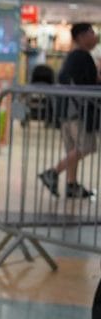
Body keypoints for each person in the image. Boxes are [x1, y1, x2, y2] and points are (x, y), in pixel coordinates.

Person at [39, 22, 101, 199]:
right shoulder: (82, 56)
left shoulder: (72, 57)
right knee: (86, 146)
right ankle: (53, 172)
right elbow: (88, 85)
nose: (94, 36)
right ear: (81, 36)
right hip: (78, 112)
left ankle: (71, 185)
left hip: (67, 111)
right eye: (91, 33)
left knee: (73, 149)